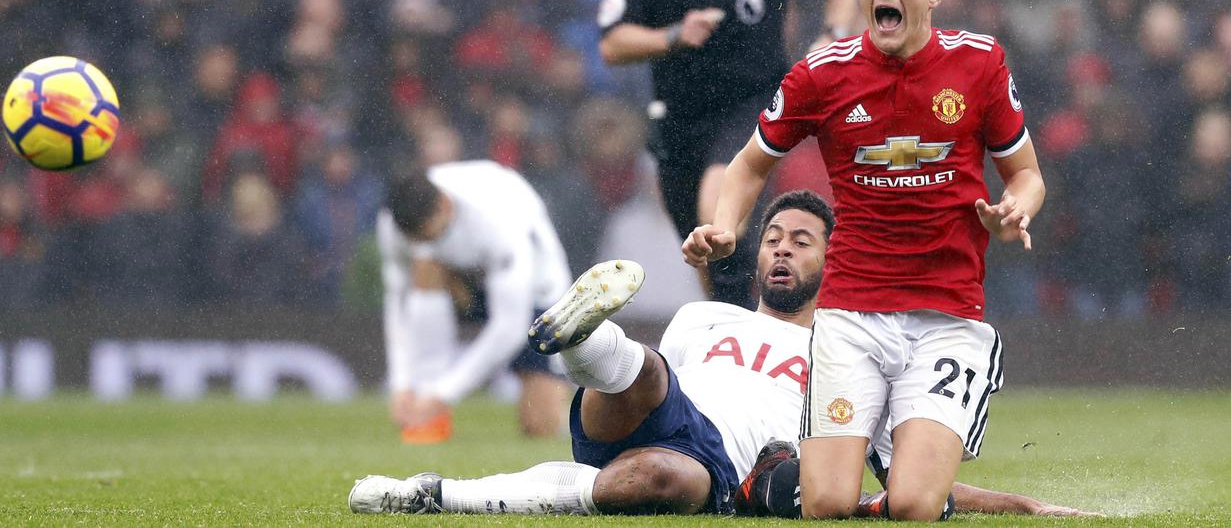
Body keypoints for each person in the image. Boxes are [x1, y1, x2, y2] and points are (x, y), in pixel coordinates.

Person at [349, 192, 1089, 518]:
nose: (780, 249)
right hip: (656, 401)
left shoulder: (853, 356)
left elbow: (910, 487)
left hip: (713, 467)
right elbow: (655, 394)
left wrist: (1017, 503)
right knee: (643, 371)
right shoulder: (702, 314)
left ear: (834, 264)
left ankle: (431, 492)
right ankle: (582, 338)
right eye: (772, 238)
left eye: (800, 242)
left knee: (654, 477)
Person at [683, 0, 1047, 521]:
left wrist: (1017, 208)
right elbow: (747, 165)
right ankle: (779, 475)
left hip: (947, 315)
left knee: (911, 505)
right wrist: (726, 226)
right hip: (851, 313)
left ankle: (891, 492)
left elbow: (1028, 174)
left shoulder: (979, 64)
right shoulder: (821, 74)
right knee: (824, 503)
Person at [598, 0, 860, 307]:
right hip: (676, 118)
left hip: (753, 103)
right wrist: (672, 36)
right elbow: (613, 42)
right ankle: (735, 333)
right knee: (705, 253)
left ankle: (743, 345)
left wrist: (832, 37)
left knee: (716, 212)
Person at [376, 160, 573, 442]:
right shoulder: (393, 224)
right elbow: (398, 304)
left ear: (445, 205)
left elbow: (510, 327)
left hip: (535, 293)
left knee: (540, 425)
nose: (428, 243)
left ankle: (431, 397)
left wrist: (444, 394)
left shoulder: (497, 219)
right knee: (425, 263)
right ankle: (427, 401)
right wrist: (402, 384)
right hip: (464, 284)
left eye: (433, 235)